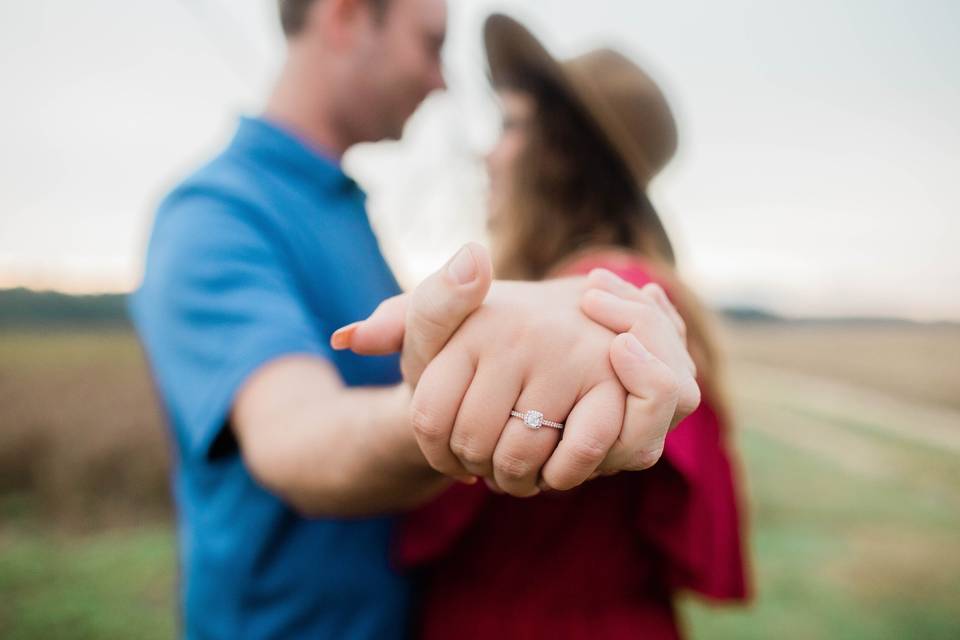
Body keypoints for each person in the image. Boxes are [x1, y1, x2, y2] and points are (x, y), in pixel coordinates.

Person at [129, 1, 698, 638]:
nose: (443, 80)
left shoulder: (343, 213)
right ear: (345, 17)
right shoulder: (216, 216)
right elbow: (295, 435)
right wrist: (453, 400)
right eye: (430, 45)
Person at [347, 14, 750, 639]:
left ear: (559, 157)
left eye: (510, 126)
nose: (489, 154)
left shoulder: (616, 290)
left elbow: (587, 320)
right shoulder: (579, 284)